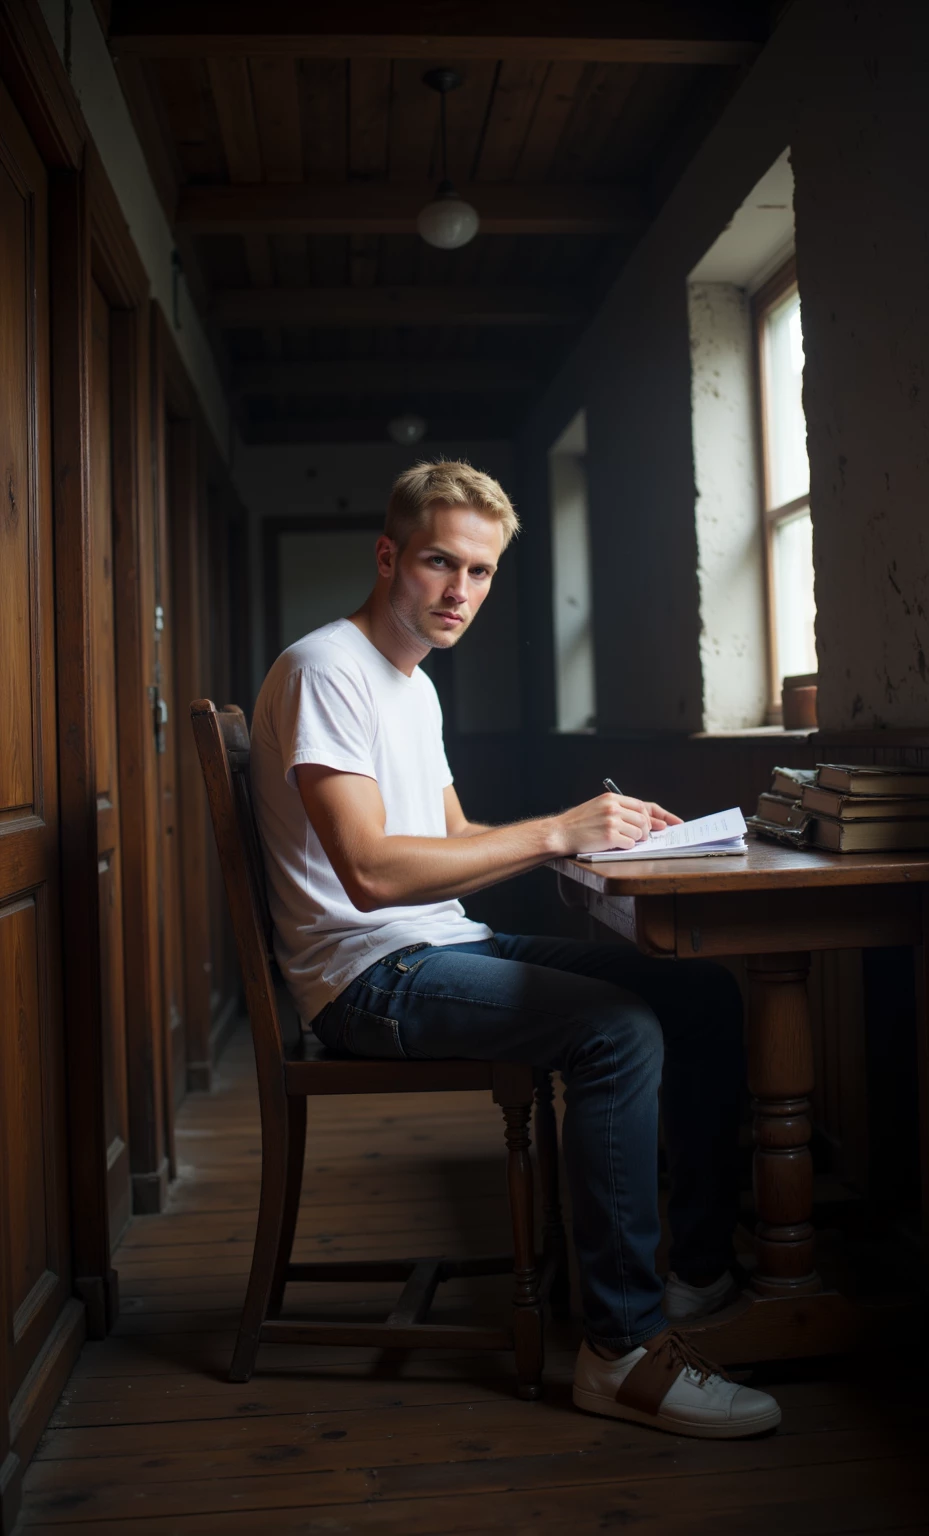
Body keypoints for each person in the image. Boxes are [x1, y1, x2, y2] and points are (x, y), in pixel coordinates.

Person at [250, 460, 780, 1439]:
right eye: (439, 563)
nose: (460, 593)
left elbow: (450, 844)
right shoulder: (327, 668)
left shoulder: (411, 685)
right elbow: (368, 874)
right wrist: (552, 834)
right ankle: (617, 1352)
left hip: (441, 943)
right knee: (617, 1032)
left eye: (481, 572)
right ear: (388, 556)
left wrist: (617, 841)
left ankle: (690, 1274)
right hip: (366, 978)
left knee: (695, 993)